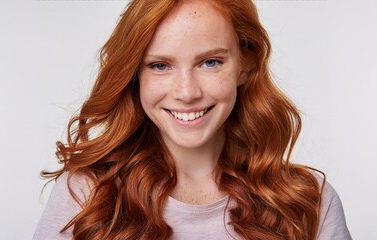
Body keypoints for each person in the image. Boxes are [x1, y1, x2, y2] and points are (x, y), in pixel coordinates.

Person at [34, 0, 351, 239]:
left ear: (245, 65)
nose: (186, 92)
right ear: (134, 76)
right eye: (160, 65)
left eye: (210, 62)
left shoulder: (310, 201)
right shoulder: (86, 196)